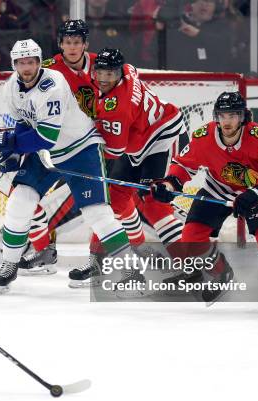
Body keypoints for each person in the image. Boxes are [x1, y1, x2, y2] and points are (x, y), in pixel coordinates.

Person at [0, 38, 132, 293]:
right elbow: (25, 126)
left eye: (31, 62)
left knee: (96, 213)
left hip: (80, 149)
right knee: (20, 201)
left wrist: (8, 142)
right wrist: (11, 152)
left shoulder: (52, 85)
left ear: (39, 62)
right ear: (14, 64)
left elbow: (45, 136)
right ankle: (9, 265)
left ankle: (129, 269)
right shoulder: (11, 87)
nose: (27, 67)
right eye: (21, 62)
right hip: (44, 155)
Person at [150, 91, 258, 308]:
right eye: (223, 116)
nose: (227, 121)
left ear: (243, 117)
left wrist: (257, 194)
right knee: (191, 238)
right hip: (217, 189)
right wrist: (169, 184)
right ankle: (222, 274)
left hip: (254, 192)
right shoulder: (203, 137)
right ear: (216, 117)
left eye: (233, 116)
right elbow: (183, 165)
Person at [68, 47, 187, 292]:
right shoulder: (128, 70)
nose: (103, 79)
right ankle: (110, 257)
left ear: (119, 75)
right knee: (114, 199)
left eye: (110, 75)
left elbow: (113, 150)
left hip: (163, 137)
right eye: (100, 71)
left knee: (154, 202)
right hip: (138, 141)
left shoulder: (119, 108)